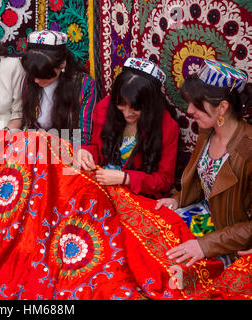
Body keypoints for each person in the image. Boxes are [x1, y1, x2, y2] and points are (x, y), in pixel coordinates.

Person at [156, 59, 251, 267]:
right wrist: (177, 201)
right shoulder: (207, 131)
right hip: (200, 216)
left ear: (222, 107)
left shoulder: (248, 149)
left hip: (227, 239)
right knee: (145, 237)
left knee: (171, 271)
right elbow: (203, 183)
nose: (189, 111)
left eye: (197, 104)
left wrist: (205, 246)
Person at [76, 57, 179, 199]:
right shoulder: (105, 108)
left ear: (150, 103)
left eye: (136, 108)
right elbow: (97, 148)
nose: (127, 113)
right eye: (121, 104)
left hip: (138, 195)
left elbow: (164, 181)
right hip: (103, 185)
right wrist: (85, 152)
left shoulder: (167, 127)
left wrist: (126, 178)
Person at [21, 30, 97, 146]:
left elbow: (82, 137)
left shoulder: (83, 85)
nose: (36, 81)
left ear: (62, 64)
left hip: (66, 150)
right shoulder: (30, 80)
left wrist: (53, 147)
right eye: (33, 76)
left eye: (44, 76)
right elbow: (28, 125)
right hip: (33, 148)